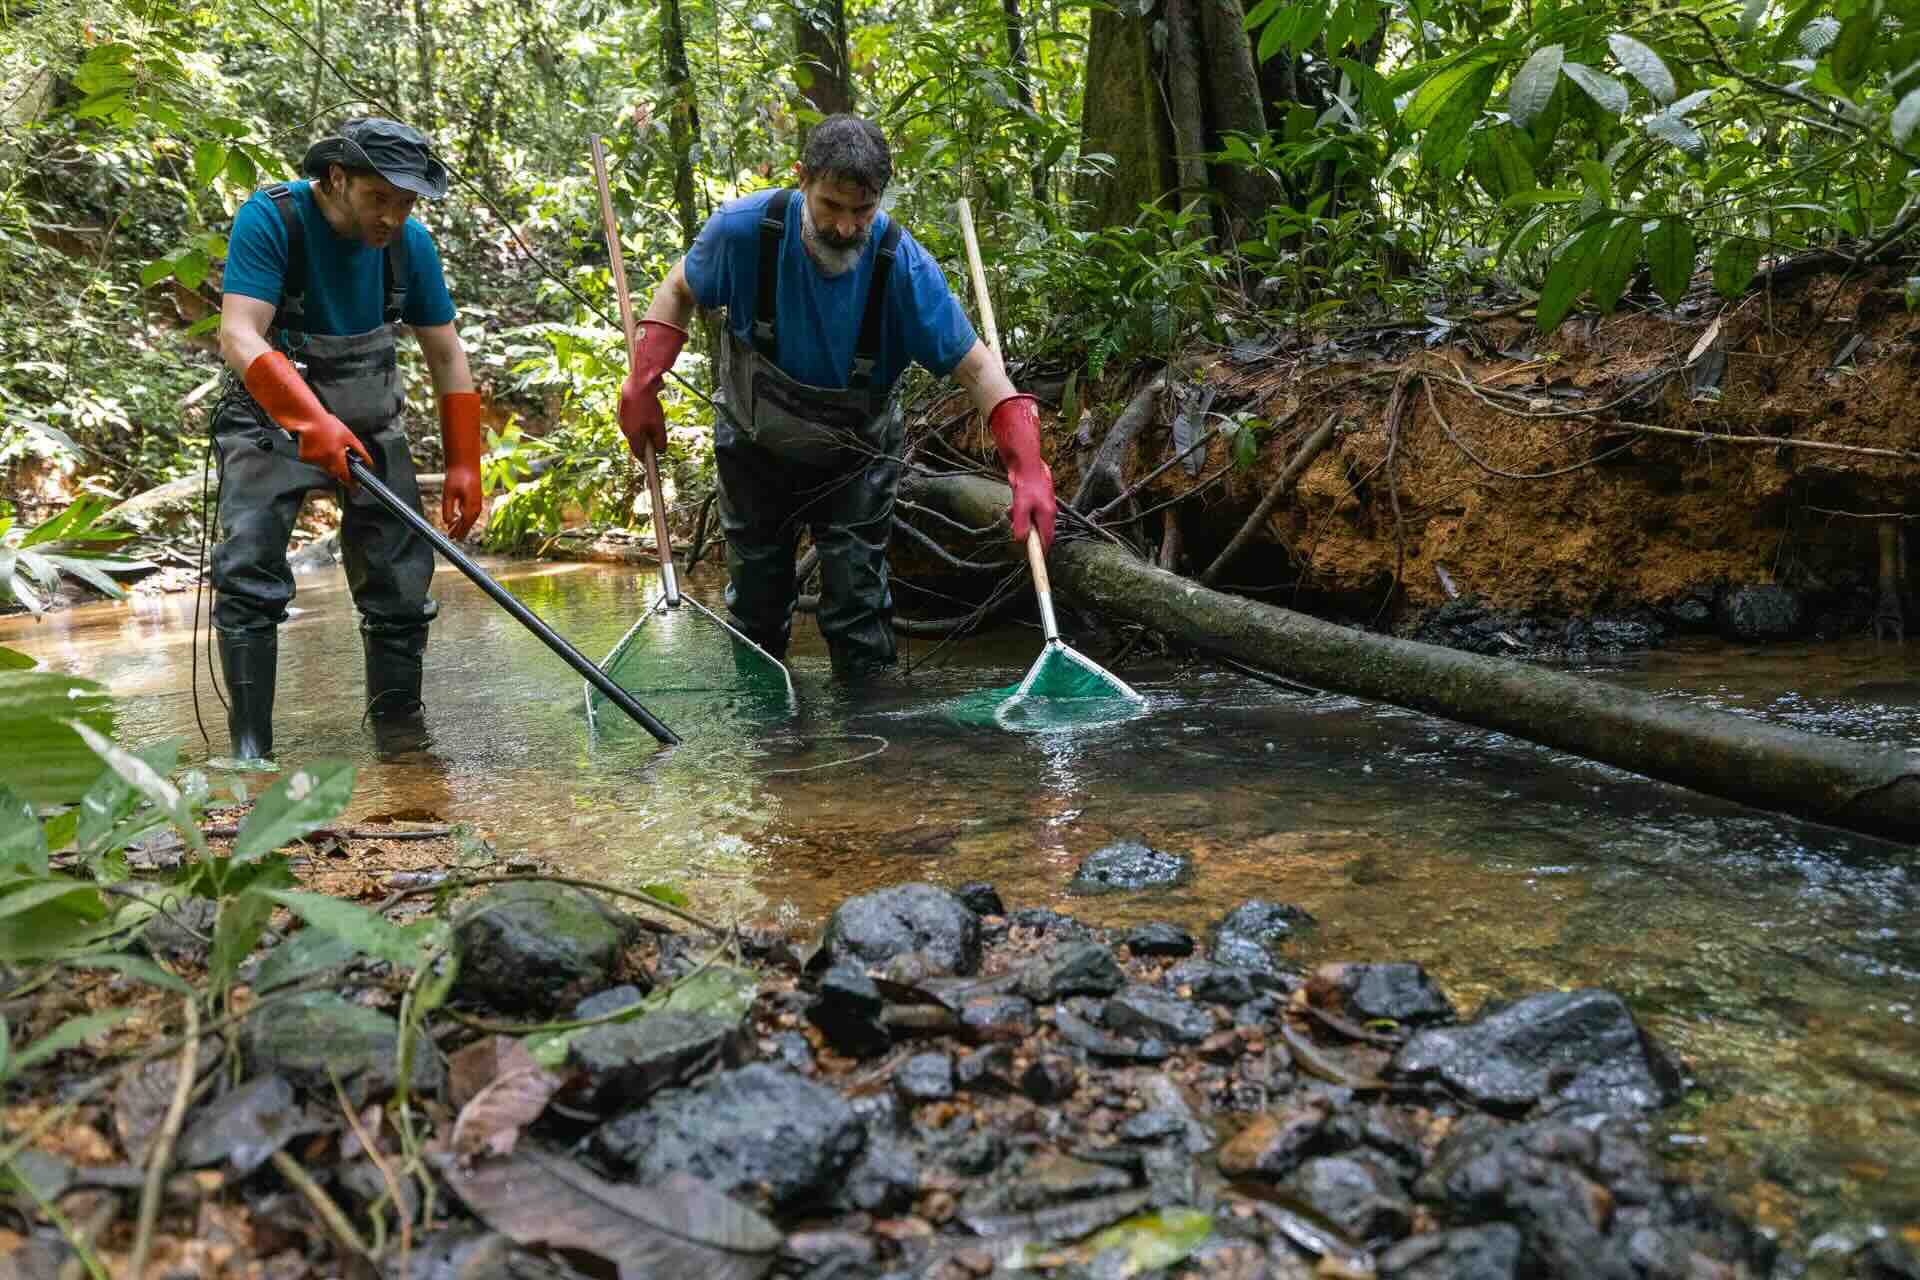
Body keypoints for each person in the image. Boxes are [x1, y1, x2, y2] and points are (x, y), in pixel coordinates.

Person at [618, 113, 1057, 680]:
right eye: (831, 207)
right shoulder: (745, 230)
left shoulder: (904, 267)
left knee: (857, 604)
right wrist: (643, 385)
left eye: (862, 211)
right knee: (755, 604)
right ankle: (768, 748)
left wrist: (1027, 465)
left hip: (858, 459)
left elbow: (978, 371)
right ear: (801, 179)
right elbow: (679, 288)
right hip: (755, 449)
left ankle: (870, 747)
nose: (847, 227)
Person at [211, 117, 484, 760]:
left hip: (371, 422)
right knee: (249, 573)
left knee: (400, 584)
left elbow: (446, 356)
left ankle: (402, 749)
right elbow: (239, 335)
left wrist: (464, 464)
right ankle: (252, 752)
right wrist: (309, 421)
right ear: (337, 178)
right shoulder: (272, 220)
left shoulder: (409, 246)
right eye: (379, 198)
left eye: (407, 201)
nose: (393, 216)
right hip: (270, 423)